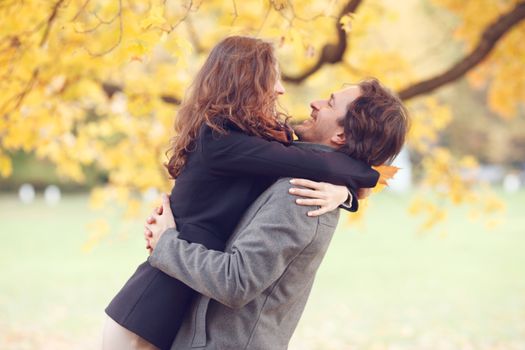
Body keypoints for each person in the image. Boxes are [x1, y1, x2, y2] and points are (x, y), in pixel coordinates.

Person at [103, 36, 379, 350]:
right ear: (247, 83)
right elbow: (313, 160)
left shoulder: (253, 141)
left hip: (171, 310)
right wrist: (363, 177)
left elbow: (315, 160)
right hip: (146, 315)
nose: (280, 90)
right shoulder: (223, 141)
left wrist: (346, 195)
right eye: (272, 78)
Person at [144, 78, 410, 349]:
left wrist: (166, 242)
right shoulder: (304, 179)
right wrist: (349, 193)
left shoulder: (300, 196)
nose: (314, 103)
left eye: (329, 103)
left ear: (341, 137)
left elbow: (235, 282)